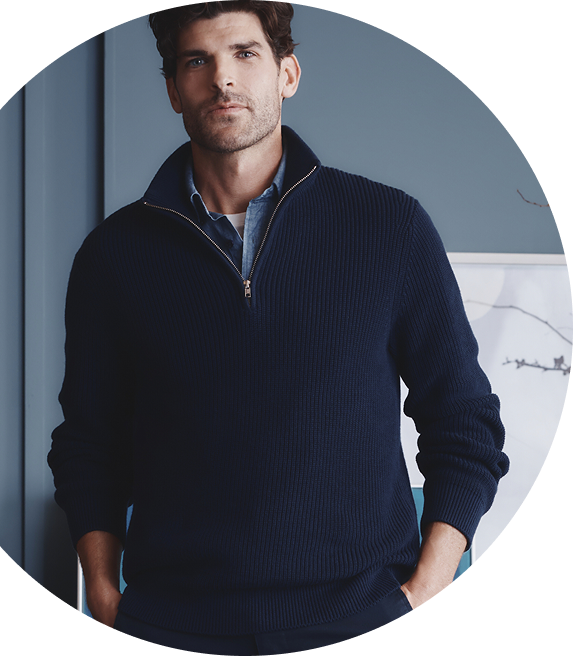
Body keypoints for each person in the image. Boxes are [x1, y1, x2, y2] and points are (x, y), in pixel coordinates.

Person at [48, 2, 509, 653]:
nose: (222, 78)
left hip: (361, 611)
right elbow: (88, 442)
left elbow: (464, 421)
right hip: (169, 623)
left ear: (287, 73)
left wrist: (425, 589)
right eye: (197, 61)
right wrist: (102, 592)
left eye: (245, 54)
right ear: (173, 90)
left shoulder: (389, 227)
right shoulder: (113, 256)